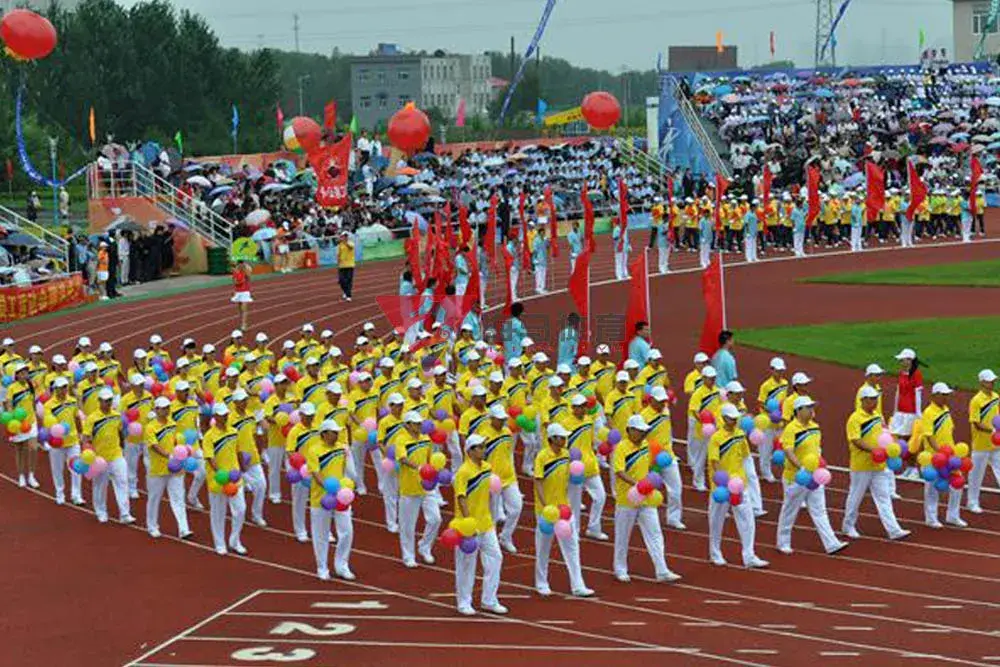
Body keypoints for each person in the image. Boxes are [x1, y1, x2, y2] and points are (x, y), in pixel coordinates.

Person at [612, 414, 682, 583]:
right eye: (639, 431)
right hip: (627, 500)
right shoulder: (621, 448)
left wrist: (651, 480)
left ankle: (662, 570)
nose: (643, 434)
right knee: (623, 536)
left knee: (655, 534)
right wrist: (637, 484)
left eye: (644, 431)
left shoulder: (646, 445)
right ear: (630, 430)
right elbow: (619, 471)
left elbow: (651, 465)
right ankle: (620, 569)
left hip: (646, 498)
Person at [775, 396, 847, 555]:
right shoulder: (791, 429)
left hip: (814, 476)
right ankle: (783, 542)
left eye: (812, 407)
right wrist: (801, 468)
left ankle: (831, 543)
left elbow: (816, 450)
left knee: (820, 510)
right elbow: (788, 451)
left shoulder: (815, 427)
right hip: (796, 477)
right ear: (798, 410)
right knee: (789, 511)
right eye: (808, 407)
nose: (812, 410)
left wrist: (819, 465)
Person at [533, 423, 595, 597]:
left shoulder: (567, 455)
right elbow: (538, 481)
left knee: (572, 547)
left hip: (564, 509)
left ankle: (578, 585)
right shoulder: (542, 457)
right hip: (547, 511)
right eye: (562, 437)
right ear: (552, 438)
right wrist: (545, 505)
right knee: (543, 548)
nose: (565, 440)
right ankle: (541, 583)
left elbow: (571, 480)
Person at [842, 386, 909, 540]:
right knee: (855, 497)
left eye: (876, 399)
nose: (875, 401)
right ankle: (848, 526)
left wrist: (892, 444)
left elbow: (885, 433)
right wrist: (873, 450)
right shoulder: (855, 418)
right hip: (862, 466)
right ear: (863, 400)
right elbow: (855, 440)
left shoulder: (878, 416)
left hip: (879, 465)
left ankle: (893, 530)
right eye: (872, 399)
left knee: (884, 497)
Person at [707, 403, 769, 568]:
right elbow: (714, 462)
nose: (734, 421)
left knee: (748, 520)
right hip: (720, 487)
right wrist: (723, 481)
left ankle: (749, 556)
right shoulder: (716, 438)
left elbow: (745, 456)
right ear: (724, 418)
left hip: (740, 485)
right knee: (716, 521)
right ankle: (715, 553)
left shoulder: (740, 434)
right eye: (731, 418)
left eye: (735, 418)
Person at [452, 434, 507, 616]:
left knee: (496, 557)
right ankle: (464, 602)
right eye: (480, 447)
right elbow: (461, 497)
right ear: (470, 451)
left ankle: (489, 600)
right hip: (467, 527)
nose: (484, 449)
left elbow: (490, 495)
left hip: (486, 523)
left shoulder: (487, 468)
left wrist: (493, 516)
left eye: (484, 446)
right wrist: (469, 523)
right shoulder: (463, 472)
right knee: (466, 565)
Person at [309, 419, 355, 581]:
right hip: (321, 498)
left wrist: (346, 488)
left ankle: (342, 565)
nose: (336, 435)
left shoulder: (342, 448)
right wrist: (330, 488)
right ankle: (322, 567)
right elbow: (316, 474)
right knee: (320, 534)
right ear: (324, 434)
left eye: (337, 432)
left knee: (347, 531)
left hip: (341, 497)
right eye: (333, 432)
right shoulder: (314, 451)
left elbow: (346, 471)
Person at [82, 388, 134, 524]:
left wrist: (122, 444)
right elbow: (86, 437)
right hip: (100, 459)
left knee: (123, 482)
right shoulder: (92, 418)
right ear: (99, 401)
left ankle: (125, 514)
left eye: (110, 400)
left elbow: (120, 432)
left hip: (116, 455)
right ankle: (101, 511)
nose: (108, 403)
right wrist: (89, 453)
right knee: (100, 486)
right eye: (105, 401)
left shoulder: (116, 415)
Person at [396, 410, 441, 567]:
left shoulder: (426, 439)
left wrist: (432, 471)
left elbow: (430, 459)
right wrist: (419, 467)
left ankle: (425, 546)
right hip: (409, 489)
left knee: (436, 519)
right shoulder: (401, 440)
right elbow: (402, 459)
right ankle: (408, 556)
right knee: (407, 526)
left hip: (426, 486)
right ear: (407, 425)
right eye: (415, 423)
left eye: (419, 423)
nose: (419, 425)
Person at [144, 396, 193, 539]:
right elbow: (154, 446)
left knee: (178, 498)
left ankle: (183, 529)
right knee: (154, 498)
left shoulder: (172, 423)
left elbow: (177, 442)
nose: (166, 410)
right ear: (156, 409)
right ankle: (152, 526)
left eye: (167, 408)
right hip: (158, 469)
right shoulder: (150, 427)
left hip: (175, 468)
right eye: (163, 408)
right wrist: (169, 456)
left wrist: (182, 453)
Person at [202, 403, 248, 555]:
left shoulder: (234, 431)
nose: (225, 417)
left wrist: (242, 467)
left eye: (226, 414)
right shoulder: (209, 436)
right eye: (222, 415)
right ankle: (220, 543)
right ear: (215, 417)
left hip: (235, 478)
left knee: (241, 510)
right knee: (218, 513)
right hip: (218, 481)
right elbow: (210, 458)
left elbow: (238, 450)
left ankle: (234, 541)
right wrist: (221, 474)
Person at [919, 382, 966, 528]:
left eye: (947, 395)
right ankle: (931, 518)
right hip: (935, 457)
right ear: (935, 395)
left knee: (958, 484)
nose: (946, 397)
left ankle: (953, 515)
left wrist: (951, 452)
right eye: (944, 395)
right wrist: (940, 452)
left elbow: (949, 431)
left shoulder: (945, 409)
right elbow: (929, 436)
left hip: (950, 456)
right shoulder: (928, 413)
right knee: (932, 488)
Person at [640, 386, 684, 530]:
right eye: (659, 401)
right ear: (651, 400)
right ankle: (642, 516)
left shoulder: (666, 411)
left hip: (668, 456)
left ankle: (673, 518)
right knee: (647, 489)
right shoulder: (644, 416)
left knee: (676, 489)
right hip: (651, 460)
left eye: (664, 401)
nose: (662, 404)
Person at [481, 404, 521, 553]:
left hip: (509, 477)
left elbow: (508, 454)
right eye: (499, 419)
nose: (502, 421)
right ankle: (489, 544)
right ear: (491, 418)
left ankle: (505, 536)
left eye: (503, 419)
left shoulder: (507, 432)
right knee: (491, 516)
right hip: (492, 480)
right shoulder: (484, 435)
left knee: (516, 508)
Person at [43, 376, 83, 505]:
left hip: (73, 440)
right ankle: (59, 493)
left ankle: (76, 495)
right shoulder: (48, 405)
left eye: (65, 387)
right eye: (61, 388)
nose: (64, 390)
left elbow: (77, 418)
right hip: (57, 443)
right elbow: (48, 424)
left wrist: (81, 433)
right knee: (57, 469)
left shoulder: (72, 401)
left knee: (76, 468)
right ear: (56, 389)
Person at [286, 402, 321, 543]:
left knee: (318, 501)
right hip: (300, 470)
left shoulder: (318, 427)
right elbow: (290, 451)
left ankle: (321, 530)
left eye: (311, 415)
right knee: (299, 501)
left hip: (316, 469)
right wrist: (300, 465)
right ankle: (300, 530)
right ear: (300, 415)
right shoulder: (295, 431)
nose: (310, 418)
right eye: (307, 415)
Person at [231, 389, 267, 527]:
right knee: (237, 489)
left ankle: (256, 514)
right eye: (241, 400)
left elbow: (254, 435)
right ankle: (237, 515)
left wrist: (259, 450)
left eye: (245, 400)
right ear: (235, 402)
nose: (244, 402)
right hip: (236, 459)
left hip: (253, 457)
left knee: (262, 485)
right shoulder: (230, 419)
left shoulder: (251, 415)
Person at [967, 369, 1000, 514]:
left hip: (996, 444)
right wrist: (993, 431)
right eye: (989, 381)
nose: (992, 383)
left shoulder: (996, 396)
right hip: (981, 445)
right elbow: (976, 423)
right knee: (976, 475)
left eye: (993, 381)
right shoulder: (976, 401)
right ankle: (972, 502)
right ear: (982, 382)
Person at [891, 348, 924, 480]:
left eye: (902, 360)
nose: (900, 362)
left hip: (910, 413)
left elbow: (918, 394)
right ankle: (909, 467)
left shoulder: (916, 374)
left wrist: (918, 413)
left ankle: (914, 468)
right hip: (900, 412)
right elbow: (898, 392)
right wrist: (895, 410)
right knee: (901, 441)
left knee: (911, 441)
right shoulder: (901, 373)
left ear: (910, 361)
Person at [687, 365, 721, 492]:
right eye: (710, 378)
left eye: (714, 378)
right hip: (702, 429)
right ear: (704, 378)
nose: (712, 380)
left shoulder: (716, 391)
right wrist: (705, 422)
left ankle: (713, 481)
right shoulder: (698, 393)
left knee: (713, 455)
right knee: (701, 456)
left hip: (714, 428)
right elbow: (694, 411)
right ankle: (698, 481)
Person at [6, 363, 39, 488]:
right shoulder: (12, 388)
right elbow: (9, 405)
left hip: (31, 421)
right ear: (17, 375)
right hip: (18, 423)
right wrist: (12, 421)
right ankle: (21, 475)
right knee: (19, 450)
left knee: (33, 448)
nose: (25, 374)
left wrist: (34, 413)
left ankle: (31, 475)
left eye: (26, 372)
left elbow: (33, 401)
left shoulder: (30, 385)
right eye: (22, 372)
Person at [755, 357, 788, 483]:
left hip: (779, 423)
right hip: (767, 423)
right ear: (772, 370)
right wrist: (771, 413)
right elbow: (760, 403)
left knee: (783, 446)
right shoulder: (766, 386)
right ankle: (766, 473)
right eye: (777, 370)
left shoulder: (785, 384)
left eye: (781, 370)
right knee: (766, 450)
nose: (780, 373)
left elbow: (784, 401)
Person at [231, 259, 252, 332]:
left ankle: (244, 324)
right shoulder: (235, 272)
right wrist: (240, 282)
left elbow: (249, 277)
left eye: (242, 264)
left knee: (244, 309)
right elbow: (235, 282)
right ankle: (242, 323)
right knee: (240, 309)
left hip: (245, 292)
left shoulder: (246, 271)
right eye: (239, 264)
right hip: (238, 292)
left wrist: (246, 269)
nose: (241, 266)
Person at [337, 230, 356, 301]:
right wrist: (338, 262)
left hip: (350, 265)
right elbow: (338, 254)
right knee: (341, 280)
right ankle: (345, 291)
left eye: (346, 236)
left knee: (348, 280)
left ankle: (348, 295)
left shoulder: (350, 243)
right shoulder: (340, 245)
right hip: (342, 265)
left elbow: (350, 247)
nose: (345, 237)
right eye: (343, 236)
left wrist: (344, 242)